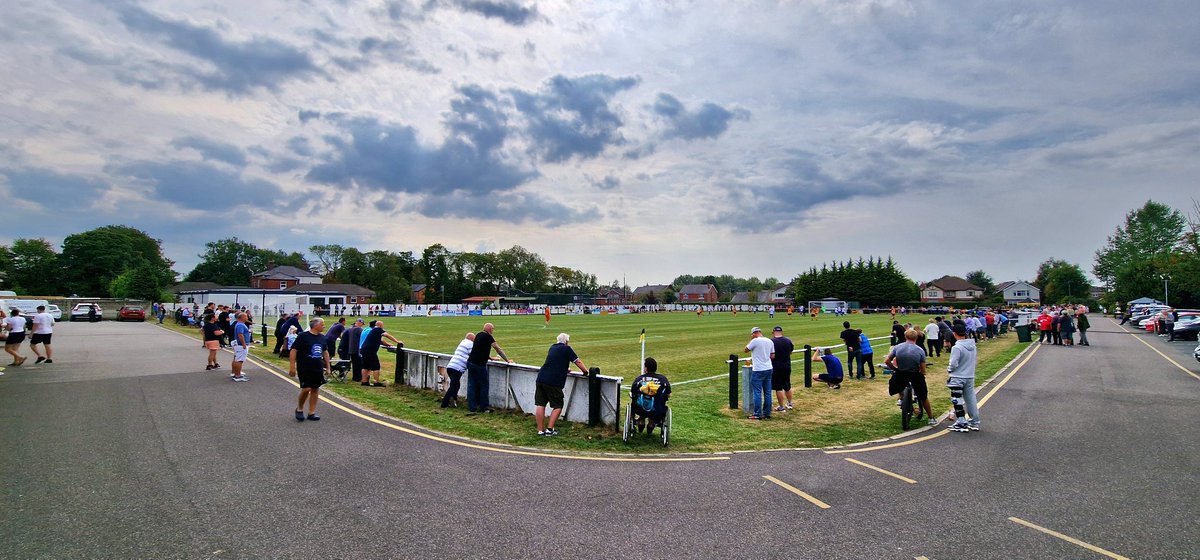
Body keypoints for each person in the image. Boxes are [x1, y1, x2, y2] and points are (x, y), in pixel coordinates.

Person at [533, 333, 589, 436]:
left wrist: (564, 368)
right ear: (566, 341)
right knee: (558, 405)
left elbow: (554, 361)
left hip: (541, 378)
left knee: (540, 404)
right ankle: (550, 429)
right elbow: (578, 362)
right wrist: (585, 372)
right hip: (553, 381)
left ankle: (540, 430)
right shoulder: (567, 349)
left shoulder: (552, 347)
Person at [884, 329, 935, 425]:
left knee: (897, 385)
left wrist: (895, 369)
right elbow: (923, 369)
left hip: (901, 373)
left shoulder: (897, 347)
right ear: (916, 338)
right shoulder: (920, 350)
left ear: (905, 337)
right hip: (914, 374)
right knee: (923, 396)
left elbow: (887, 361)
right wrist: (923, 373)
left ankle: (901, 399)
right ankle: (931, 417)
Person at [289, 317, 331, 421]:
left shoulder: (322, 337)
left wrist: (328, 367)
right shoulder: (303, 336)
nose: (324, 326)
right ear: (315, 325)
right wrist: (292, 366)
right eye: (322, 324)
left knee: (315, 389)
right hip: (304, 366)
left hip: (317, 367)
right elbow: (294, 350)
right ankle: (299, 409)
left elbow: (325, 352)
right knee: (306, 388)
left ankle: (311, 412)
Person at [466, 323, 512, 413]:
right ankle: (484, 407)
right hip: (479, 365)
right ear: (489, 329)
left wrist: (490, 358)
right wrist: (507, 360)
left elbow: (478, 349)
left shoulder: (478, 335)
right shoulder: (488, 337)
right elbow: (498, 349)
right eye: (493, 329)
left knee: (472, 385)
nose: (493, 331)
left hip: (470, 362)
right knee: (484, 385)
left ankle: (472, 407)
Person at [946, 325, 980, 432]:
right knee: (971, 399)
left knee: (957, 399)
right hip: (969, 375)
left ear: (954, 333)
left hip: (958, 376)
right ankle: (974, 421)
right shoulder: (973, 346)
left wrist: (949, 369)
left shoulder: (956, 347)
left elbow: (953, 363)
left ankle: (961, 421)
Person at [630, 357, 671, 433]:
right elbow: (668, 394)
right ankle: (651, 422)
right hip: (657, 408)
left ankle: (641, 420)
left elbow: (633, 393)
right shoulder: (662, 379)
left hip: (640, 408)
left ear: (646, 368)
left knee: (637, 401)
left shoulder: (639, 379)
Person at [742, 327, 774, 420]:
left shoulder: (755, 341)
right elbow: (772, 355)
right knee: (767, 392)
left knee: (757, 392)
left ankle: (757, 413)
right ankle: (767, 413)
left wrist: (751, 340)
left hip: (758, 369)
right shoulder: (769, 341)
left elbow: (746, 350)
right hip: (768, 368)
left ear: (754, 333)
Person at [359, 320, 401, 387]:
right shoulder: (378, 330)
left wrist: (387, 344)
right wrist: (397, 341)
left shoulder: (373, 331)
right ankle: (376, 382)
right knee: (376, 366)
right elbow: (387, 335)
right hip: (370, 350)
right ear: (380, 325)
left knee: (365, 366)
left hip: (364, 349)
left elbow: (381, 340)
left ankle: (364, 381)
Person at [440, 332, 474, 408]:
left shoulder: (462, 342)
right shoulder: (470, 344)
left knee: (456, 385)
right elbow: (473, 354)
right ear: (471, 339)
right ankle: (444, 403)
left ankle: (453, 400)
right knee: (453, 386)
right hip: (457, 368)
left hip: (451, 366)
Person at [770, 326, 795, 411]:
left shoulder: (771, 342)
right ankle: (790, 403)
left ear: (773, 333)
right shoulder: (788, 340)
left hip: (776, 366)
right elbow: (791, 351)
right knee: (787, 385)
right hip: (787, 365)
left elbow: (770, 355)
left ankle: (781, 406)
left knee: (778, 387)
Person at [230, 312, 252, 382]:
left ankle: (235, 372)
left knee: (236, 358)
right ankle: (238, 375)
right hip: (241, 345)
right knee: (239, 360)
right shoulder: (240, 325)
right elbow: (240, 335)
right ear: (241, 317)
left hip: (239, 344)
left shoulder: (240, 324)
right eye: (245, 316)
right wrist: (244, 344)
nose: (247, 317)